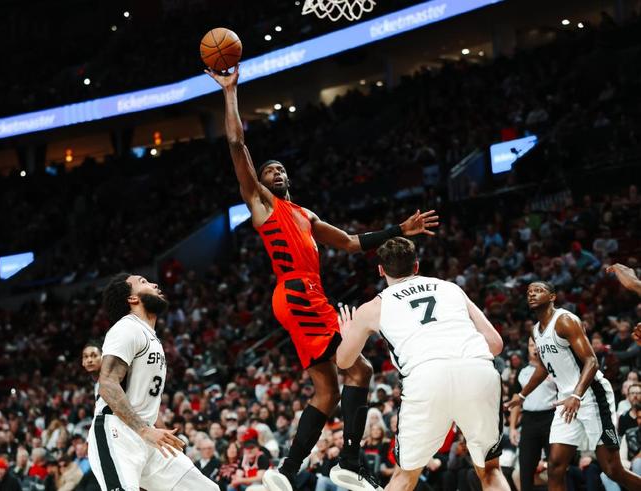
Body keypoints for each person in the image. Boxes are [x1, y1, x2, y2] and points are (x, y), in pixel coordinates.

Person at [206, 66, 439, 491]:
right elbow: (237, 144)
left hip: (306, 294)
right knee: (361, 368)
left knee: (328, 391)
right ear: (259, 181)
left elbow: (350, 242)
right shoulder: (262, 203)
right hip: (297, 291)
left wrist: (399, 230)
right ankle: (349, 461)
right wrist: (230, 92)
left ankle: (286, 471)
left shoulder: (305, 214)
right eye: (268, 170)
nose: (275, 172)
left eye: (280, 169)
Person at [334, 237, 509, 491]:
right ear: (416, 266)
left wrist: (348, 335)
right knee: (491, 470)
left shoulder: (373, 307)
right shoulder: (451, 288)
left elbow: (344, 361)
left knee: (405, 476)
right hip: (477, 370)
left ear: (381, 270)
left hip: (425, 378)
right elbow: (495, 344)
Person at [87, 273, 219, 491]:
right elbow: (107, 384)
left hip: (146, 435)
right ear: (132, 299)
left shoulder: (150, 336)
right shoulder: (126, 328)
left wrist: (160, 431)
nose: (154, 284)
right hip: (117, 433)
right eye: (143, 282)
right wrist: (144, 430)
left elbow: (145, 398)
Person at [506, 281, 641, 491]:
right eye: (529, 292)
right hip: (566, 400)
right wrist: (522, 395)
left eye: (538, 290)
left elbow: (592, 361)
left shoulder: (565, 321)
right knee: (555, 467)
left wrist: (576, 395)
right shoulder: (535, 331)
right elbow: (543, 366)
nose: (532, 294)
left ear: (552, 297)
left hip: (591, 395)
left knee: (612, 469)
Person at [508, 336, 557, 491]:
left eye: (537, 344)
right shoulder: (522, 371)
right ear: (527, 349)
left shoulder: (554, 367)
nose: (535, 348)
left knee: (556, 468)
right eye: (531, 345)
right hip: (529, 420)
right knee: (525, 468)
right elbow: (516, 401)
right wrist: (512, 428)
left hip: (551, 418)